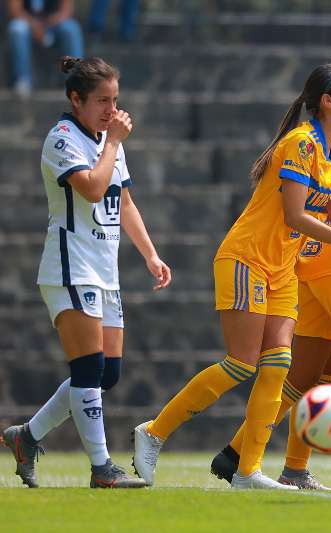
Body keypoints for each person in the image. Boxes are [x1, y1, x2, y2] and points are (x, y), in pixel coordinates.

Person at [132, 63, 331, 490]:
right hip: (247, 258)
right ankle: (155, 431)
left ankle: (248, 470)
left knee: (279, 365)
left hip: (285, 266)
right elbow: (296, 216)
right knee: (241, 363)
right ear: (327, 102)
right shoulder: (300, 144)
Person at [0, 56, 171, 488]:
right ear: (75, 100)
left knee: (105, 373)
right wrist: (112, 142)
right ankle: (102, 468)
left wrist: (150, 254)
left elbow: (123, 202)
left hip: (104, 272)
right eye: (101, 101)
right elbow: (94, 187)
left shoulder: (110, 139)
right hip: (70, 266)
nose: (111, 110)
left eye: (115, 100)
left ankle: (27, 436)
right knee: (89, 367)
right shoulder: (62, 139)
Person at [7, 0, 84, 96]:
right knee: (17, 29)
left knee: (71, 28)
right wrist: (34, 25)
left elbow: (67, 10)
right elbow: (15, 10)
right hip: (27, 22)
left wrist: (50, 22)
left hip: (54, 22)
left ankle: (75, 80)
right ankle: (22, 80)